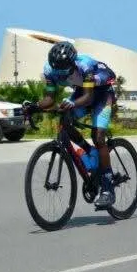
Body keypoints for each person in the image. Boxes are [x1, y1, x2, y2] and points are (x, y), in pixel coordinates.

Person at [22, 41, 117, 208]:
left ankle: (108, 189)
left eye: (64, 70)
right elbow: (49, 99)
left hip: (102, 92)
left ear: (73, 63)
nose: (61, 74)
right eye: (57, 70)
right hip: (82, 91)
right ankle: (90, 152)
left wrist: (72, 104)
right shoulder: (49, 70)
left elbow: (88, 98)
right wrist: (34, 107)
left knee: (99, 137)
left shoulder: (85, 65)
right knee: (65, 119)